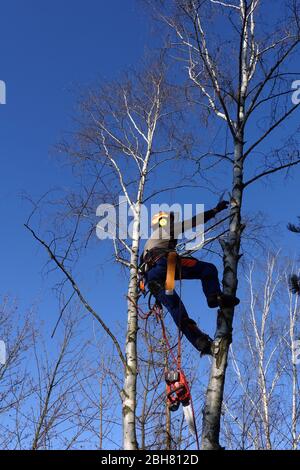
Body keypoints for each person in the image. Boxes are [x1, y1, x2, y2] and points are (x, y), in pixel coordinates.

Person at [141, 201, 239, 356]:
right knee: (208, 268)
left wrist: (158, 297)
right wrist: (215, 209)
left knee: (176, 309)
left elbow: (145, 275)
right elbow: (193, 222)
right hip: (166, 263)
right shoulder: (166, 229)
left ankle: (200, 342)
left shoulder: (148, 244)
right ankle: (214, 296)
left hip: (152, 277)